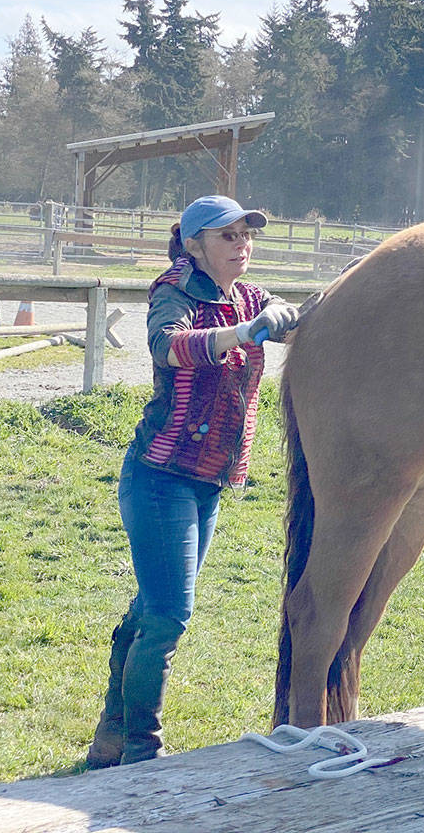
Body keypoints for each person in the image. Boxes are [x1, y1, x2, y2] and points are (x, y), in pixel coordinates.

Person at [86, 195, 299, 768]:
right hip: (160, 476)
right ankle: (141, 751)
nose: (242, 245)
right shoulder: (174, 290)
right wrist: (243, 333)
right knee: (169, 614)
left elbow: (281, 310)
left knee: (152, 608)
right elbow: (167, 345)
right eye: (228, 236)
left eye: (246, 236)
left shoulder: (250, 296)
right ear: (195, 243)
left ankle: (110, 735)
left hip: (209, 480)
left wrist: (280, 311)